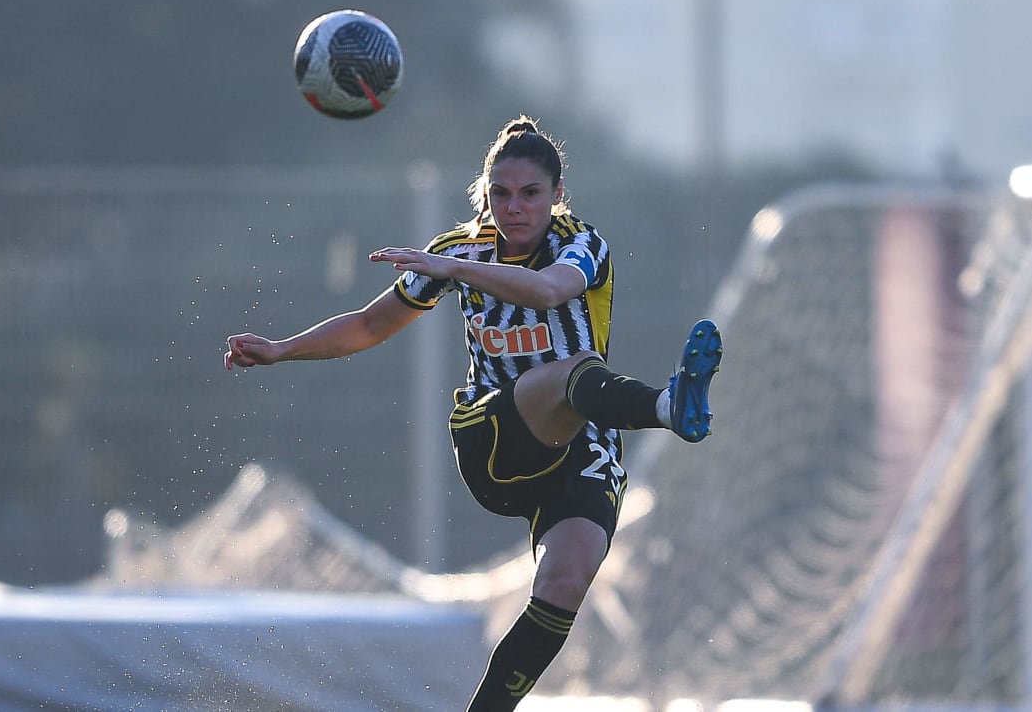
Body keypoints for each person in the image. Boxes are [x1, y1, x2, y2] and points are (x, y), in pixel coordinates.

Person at [223, 115, 723, 711]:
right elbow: (368, 324)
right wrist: (283, 350)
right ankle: (669, 406)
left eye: (531, 194)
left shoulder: (581, 244)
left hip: (582, 443)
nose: (514, 209)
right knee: (571, 370)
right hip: (492, 442)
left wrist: (453, 271)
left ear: (558, 196)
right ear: (484, 195)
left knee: (566, 581)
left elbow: (547, 291)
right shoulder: (459, 250)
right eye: (501, 194)